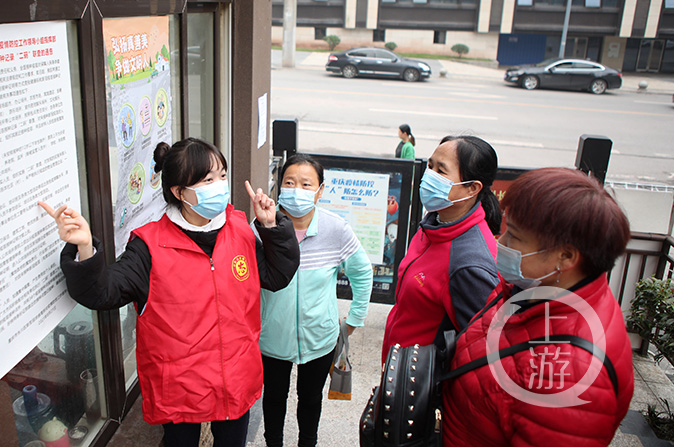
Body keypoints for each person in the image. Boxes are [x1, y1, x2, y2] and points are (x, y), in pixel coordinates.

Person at [39, 138, 300, 447]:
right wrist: (85, 247)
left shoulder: (239, 228)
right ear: (178, 192)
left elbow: (276, 276)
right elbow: (102, 292)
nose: (220, 186)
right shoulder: (149, 246)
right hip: (180, 386)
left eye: (222, 175)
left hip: (235, 376)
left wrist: (272, 228)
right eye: (207, 180)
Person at [442, 167, 634, 446]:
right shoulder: (532, 288)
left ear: (565, 257)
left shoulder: (570, 378)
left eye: (515, 238)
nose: (500, 243)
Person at [259, 153, 374, 447]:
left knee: (310, 401)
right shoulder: (261, 228)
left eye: (306, 184)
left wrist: (354, 320)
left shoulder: (335, 229)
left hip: (320, 338)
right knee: (273, 398)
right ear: (279, 186)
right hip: (272, 338)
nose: (297, 190)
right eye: (289, 182)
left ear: (321, 190)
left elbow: (362, 273)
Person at [381, 135, 501, 360]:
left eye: (441, 171)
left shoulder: (470, 263)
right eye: (430, 166)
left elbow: (481, 349)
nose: (429, 176)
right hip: (399, 371)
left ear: (471, 188)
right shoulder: (434, 224)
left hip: (421, 386)